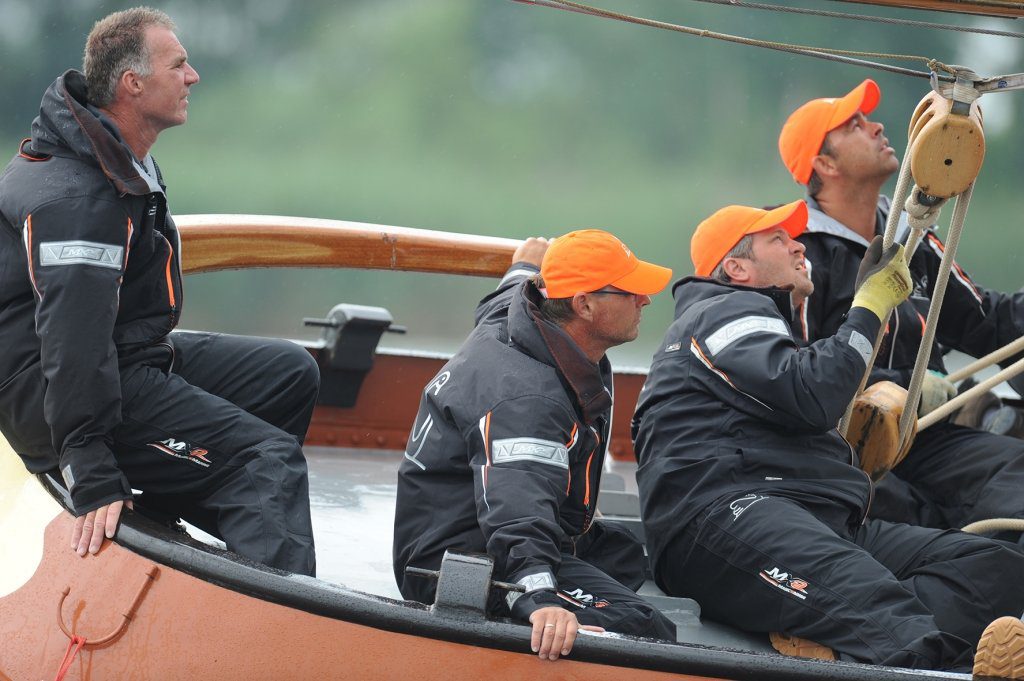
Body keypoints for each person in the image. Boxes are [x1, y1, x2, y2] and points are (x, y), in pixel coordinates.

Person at [632, 201, 1024, 673]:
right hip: (727, 516)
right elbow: (814, 392)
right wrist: (870, 306)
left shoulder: (762, 328)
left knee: (995, 567)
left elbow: (806, 386)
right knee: (884, 613)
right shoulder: (722, 311)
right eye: (777, 239)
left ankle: (834, 637)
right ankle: (906, 646)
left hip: (810, 515)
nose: (798, 244)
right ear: (735, 267)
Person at [0, 8, 318, 576]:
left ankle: (181, 520)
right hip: (54, 396)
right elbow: (72, 345)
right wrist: (90, 467)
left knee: (290, 372)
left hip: (119, 358)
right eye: (179, 64)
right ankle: (264, 628)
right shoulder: (80, 199)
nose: (193, 75)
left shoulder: (114, 157)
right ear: (133, 83)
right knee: (267, 461)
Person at [394, 230, 677, 660]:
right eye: (631, 291)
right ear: (583, 305)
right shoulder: (528, 401)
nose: (645, 300)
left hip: (477, 520)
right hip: (459, 560)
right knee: (644, 627)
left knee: (623, 556)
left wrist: (524, 266)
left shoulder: (521, 319)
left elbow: (505, 297)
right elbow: (516, 511)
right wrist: (539, 598)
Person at [779, 79, 1024, 531]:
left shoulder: (915, 241)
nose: (876, 127)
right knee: (904, 518)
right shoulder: (798, 254)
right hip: (837, 449)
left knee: (1015, 476)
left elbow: (988, 323)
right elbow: (796, 371)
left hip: (920, 437)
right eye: (854, 126)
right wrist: (907, 387)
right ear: (824, 163)